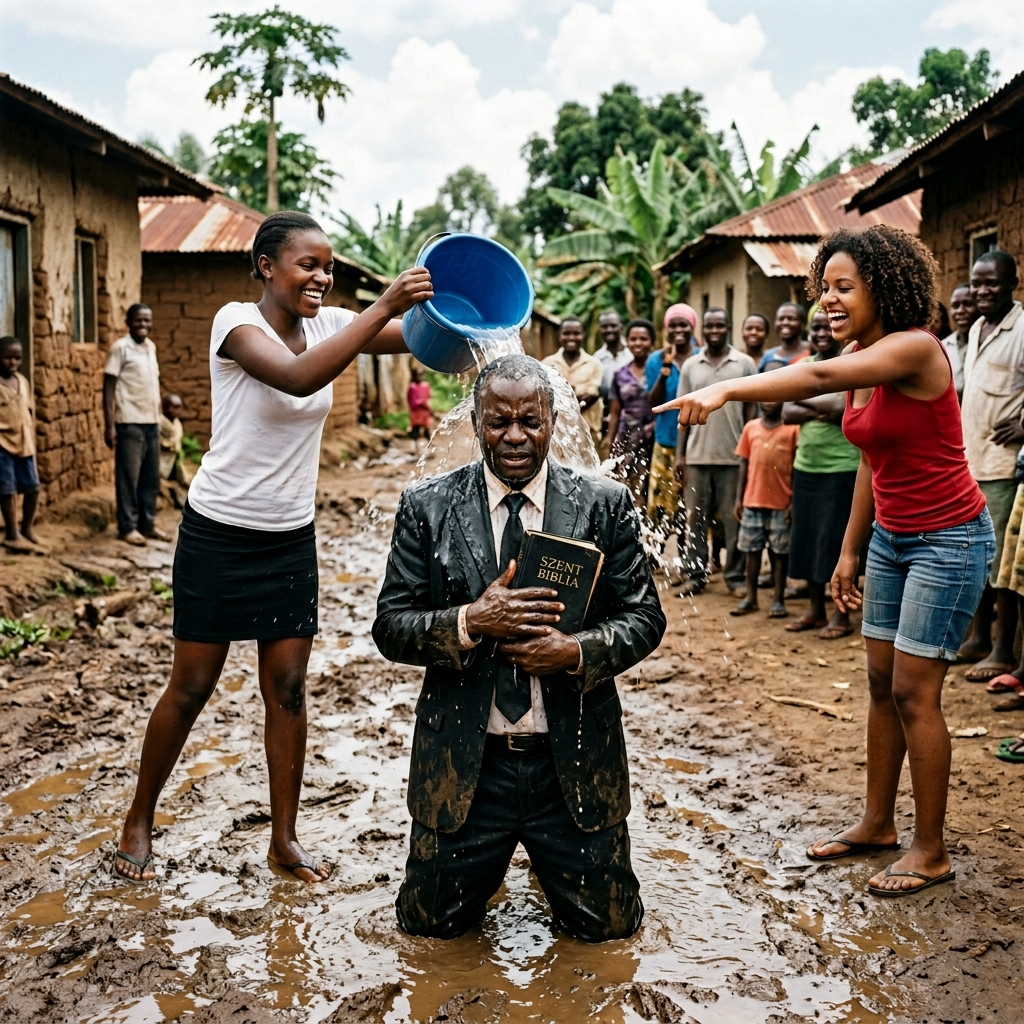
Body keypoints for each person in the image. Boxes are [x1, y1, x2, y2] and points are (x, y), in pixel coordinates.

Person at [655, 225, 995, 897]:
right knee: (877, 683)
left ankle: (931, 849)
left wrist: (727, 392)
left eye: (845, 288)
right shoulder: (867, 356)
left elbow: (814, 375)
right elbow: (875, 458)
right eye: (824, 289)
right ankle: (877, 824)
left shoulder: (913, 349)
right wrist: (849, 550)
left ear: (885, 288)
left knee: (911, 692)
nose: (828, 302)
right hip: (894, 541)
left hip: (949, 539)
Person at [113, 211, 432, 883]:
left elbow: (415, 337)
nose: (321, 277)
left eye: (328, 268)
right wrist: (381, 305)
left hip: (289, 538)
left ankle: (283, 839)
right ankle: (139, 818)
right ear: (266, 266)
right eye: (307, 265)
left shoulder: (328, 322)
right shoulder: (236, 324)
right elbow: (297, 378)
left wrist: (470, 328)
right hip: (220, 534)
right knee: (193, 684)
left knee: (286, 688)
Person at [373, 353, 666, 941]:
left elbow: (644, 617)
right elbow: (390, 625)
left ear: (553, 419)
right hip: (466, 767)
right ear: (474, 420)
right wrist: (470, 620)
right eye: (497, 421)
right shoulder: (427, 507)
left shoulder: (602, 503)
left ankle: (544, 871)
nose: (513, 436)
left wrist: (575, 652)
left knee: (611, 932)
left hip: (573, 765)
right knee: (428, 932)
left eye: (529, 421)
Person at [955, 251, 1024, 683]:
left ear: (1013, 283)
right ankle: (979, 638)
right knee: (977, 558)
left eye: (991, 284)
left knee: (1001, 565)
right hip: (970, 461)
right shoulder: (977, 327)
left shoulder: (1023, 328)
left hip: (1002, 466)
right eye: (976, 283)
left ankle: (1001, 648)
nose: (982, 292)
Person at [782, 310, 863, 639]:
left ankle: (840, 615)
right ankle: (815, 609)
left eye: (824, 326)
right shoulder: (801, 367)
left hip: (841, 468)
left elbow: (840, 409)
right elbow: (786, 411)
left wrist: (810, 404)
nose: (819, 332)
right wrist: (821, 405)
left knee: (834, 544)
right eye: (814, 327)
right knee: (806, 540)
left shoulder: (851, 366)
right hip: (807, 466)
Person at [674, 307, 757, 596]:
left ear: (728, 327)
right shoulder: (690, 366)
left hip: (733, 458)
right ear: (703, 329)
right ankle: (695, 575)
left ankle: (735, 578)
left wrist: (751, 453)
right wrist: (680, 455)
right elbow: (682, 413)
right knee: (695, 519)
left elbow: (751, 410)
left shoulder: (744, 364)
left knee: (733, 520)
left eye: (720, 325)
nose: (714, 331)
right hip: (697, 457)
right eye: (709, 326)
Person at [104, 304, 167, 546]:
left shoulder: (150, 347)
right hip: (129, 422)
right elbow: (108, 387)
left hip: (151, 421)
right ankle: (127, 527)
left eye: (147, 321)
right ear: (128, 322)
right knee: (128, 478)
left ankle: (147, 524)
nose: (143, 325)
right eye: (138, 321)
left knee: (151, 478)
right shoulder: (120, 348)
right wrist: (109, 426)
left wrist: (158, 418)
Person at [731, 399, 799, 618]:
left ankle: (778, 600)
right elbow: (743, 464)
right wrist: (739, 499)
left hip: (781, 503)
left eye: (774, 398)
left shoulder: (792, 429)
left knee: (780, 554)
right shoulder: (751, 428)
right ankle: (751, 597)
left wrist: (793, 502)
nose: (768, 403)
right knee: (752, 551)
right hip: (753, 500)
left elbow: (797, 466)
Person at [645, 304, 698, 535]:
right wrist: (664, 370)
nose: (678, 330)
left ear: (692, 327)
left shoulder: (700, 358)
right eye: (673, 325)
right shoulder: (656, 360)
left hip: (694, 442)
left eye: (683, 324)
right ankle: (656, 551)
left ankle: (691, 555)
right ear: (666, 329)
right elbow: (652, 401)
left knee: (690, 501)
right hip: (665, 440)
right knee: (659, 501)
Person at [607, 319, 657, 506]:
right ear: (627, 342)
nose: (638, 343)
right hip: (627, 438)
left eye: (643, 339)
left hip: (654, 438)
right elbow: (615, 411)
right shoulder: (620, 374)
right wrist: (610, 442)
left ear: (652, 342)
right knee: (627, 487)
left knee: (652, 488)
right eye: (633, 339)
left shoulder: (660, 370)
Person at [0, 336, 41, 552]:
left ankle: (27, 528)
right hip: (2, 443)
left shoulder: (22, 381)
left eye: (17, 358)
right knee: (7, 490)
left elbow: (28, 408)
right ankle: (11, 533)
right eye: (7, 358)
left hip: (24, 442)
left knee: (33, 488)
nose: (13, 363)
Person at [542, 316, 604, 449]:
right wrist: (577, 394)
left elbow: (592, 394)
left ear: (583, 335)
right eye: (566, 333)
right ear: (559, 336)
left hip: (588, 429)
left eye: (576, 333)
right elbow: (545, 395)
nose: (571, 338)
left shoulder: (594, 364)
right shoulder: (548, 363)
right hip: (557, 431)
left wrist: (563, 397)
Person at [941, 284, 978, 402]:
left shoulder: (986, 344)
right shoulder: (943, 347)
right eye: (955, 306)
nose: (960, 311)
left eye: (967, 304)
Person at [758, 302, 810, 371]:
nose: (785, 323)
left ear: (803, 324)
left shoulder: (811, 350)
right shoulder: (768, 356)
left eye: (791, 319)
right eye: (781, 319)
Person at [593, 309, 632, 400]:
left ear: (621, 328)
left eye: (613, 326)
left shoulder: (632, 353)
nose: (609, 330)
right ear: (600, 330)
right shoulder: (596, 358)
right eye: (604, 326)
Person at [159, 393, 187, 510]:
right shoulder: (160, 423)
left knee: (178, 478)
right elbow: (160, 442)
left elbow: (176, 441)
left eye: (177, 407)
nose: (173, 410)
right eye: (171, 406)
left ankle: (178, 499)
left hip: (172, 458)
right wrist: (167, 445)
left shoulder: (177, 424)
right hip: (160, 458)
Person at [407, 367, 433, 441]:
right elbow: (412, 400)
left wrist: (429, 408)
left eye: (421, 374)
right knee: (416, 429)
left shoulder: (426, 385)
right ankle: (415, 446)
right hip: (416, 411)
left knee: (427, 429)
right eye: (418, 375)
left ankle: (429, 445)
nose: (420, 377)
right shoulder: (412, 387)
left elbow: (429, 397)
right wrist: (421, 403)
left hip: (425, 411)